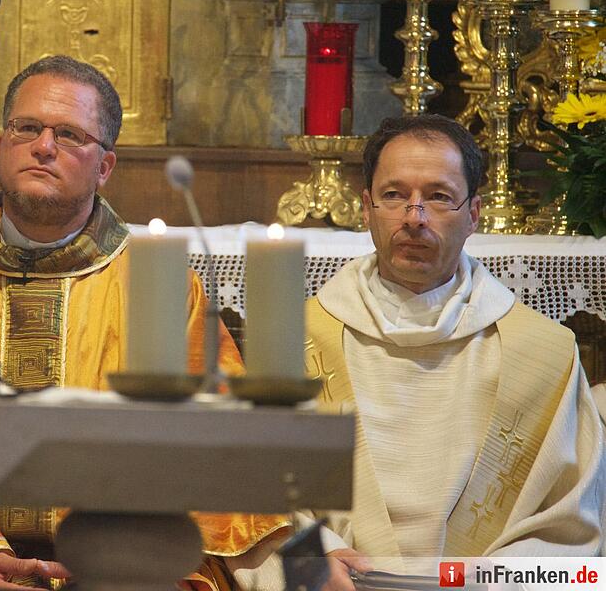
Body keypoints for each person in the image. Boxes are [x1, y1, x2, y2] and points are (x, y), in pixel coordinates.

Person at [0, 56, 288, 590]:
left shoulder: (163, 289)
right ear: (2, 146)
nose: (44, 146)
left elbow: (219, 447)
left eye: (70, 134)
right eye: (26, 128)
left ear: (104, 167)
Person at [246, 115, 604, 590]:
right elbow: (250, 491)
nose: (414, 217)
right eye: (394, 195)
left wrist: (492, 579)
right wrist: (312, 558)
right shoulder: (293, 338)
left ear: (473, 213)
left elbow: (572, 517)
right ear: (367, 207)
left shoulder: (543, 352)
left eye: (438, 196)